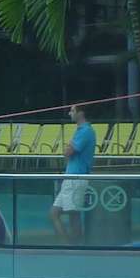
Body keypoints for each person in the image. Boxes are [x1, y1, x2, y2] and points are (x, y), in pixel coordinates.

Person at [49, 104, 96, 244]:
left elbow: (68, 152)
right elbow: (67, 152)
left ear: (80, 113)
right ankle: (68, 244)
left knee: (73, 214)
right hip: (71, 177)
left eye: (72, 111)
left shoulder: (85, 131)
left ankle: (73, 246)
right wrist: (69, 147)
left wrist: (69, 147)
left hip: (77, 177)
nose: (70, 113)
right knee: (54, 213)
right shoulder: (81, 130)